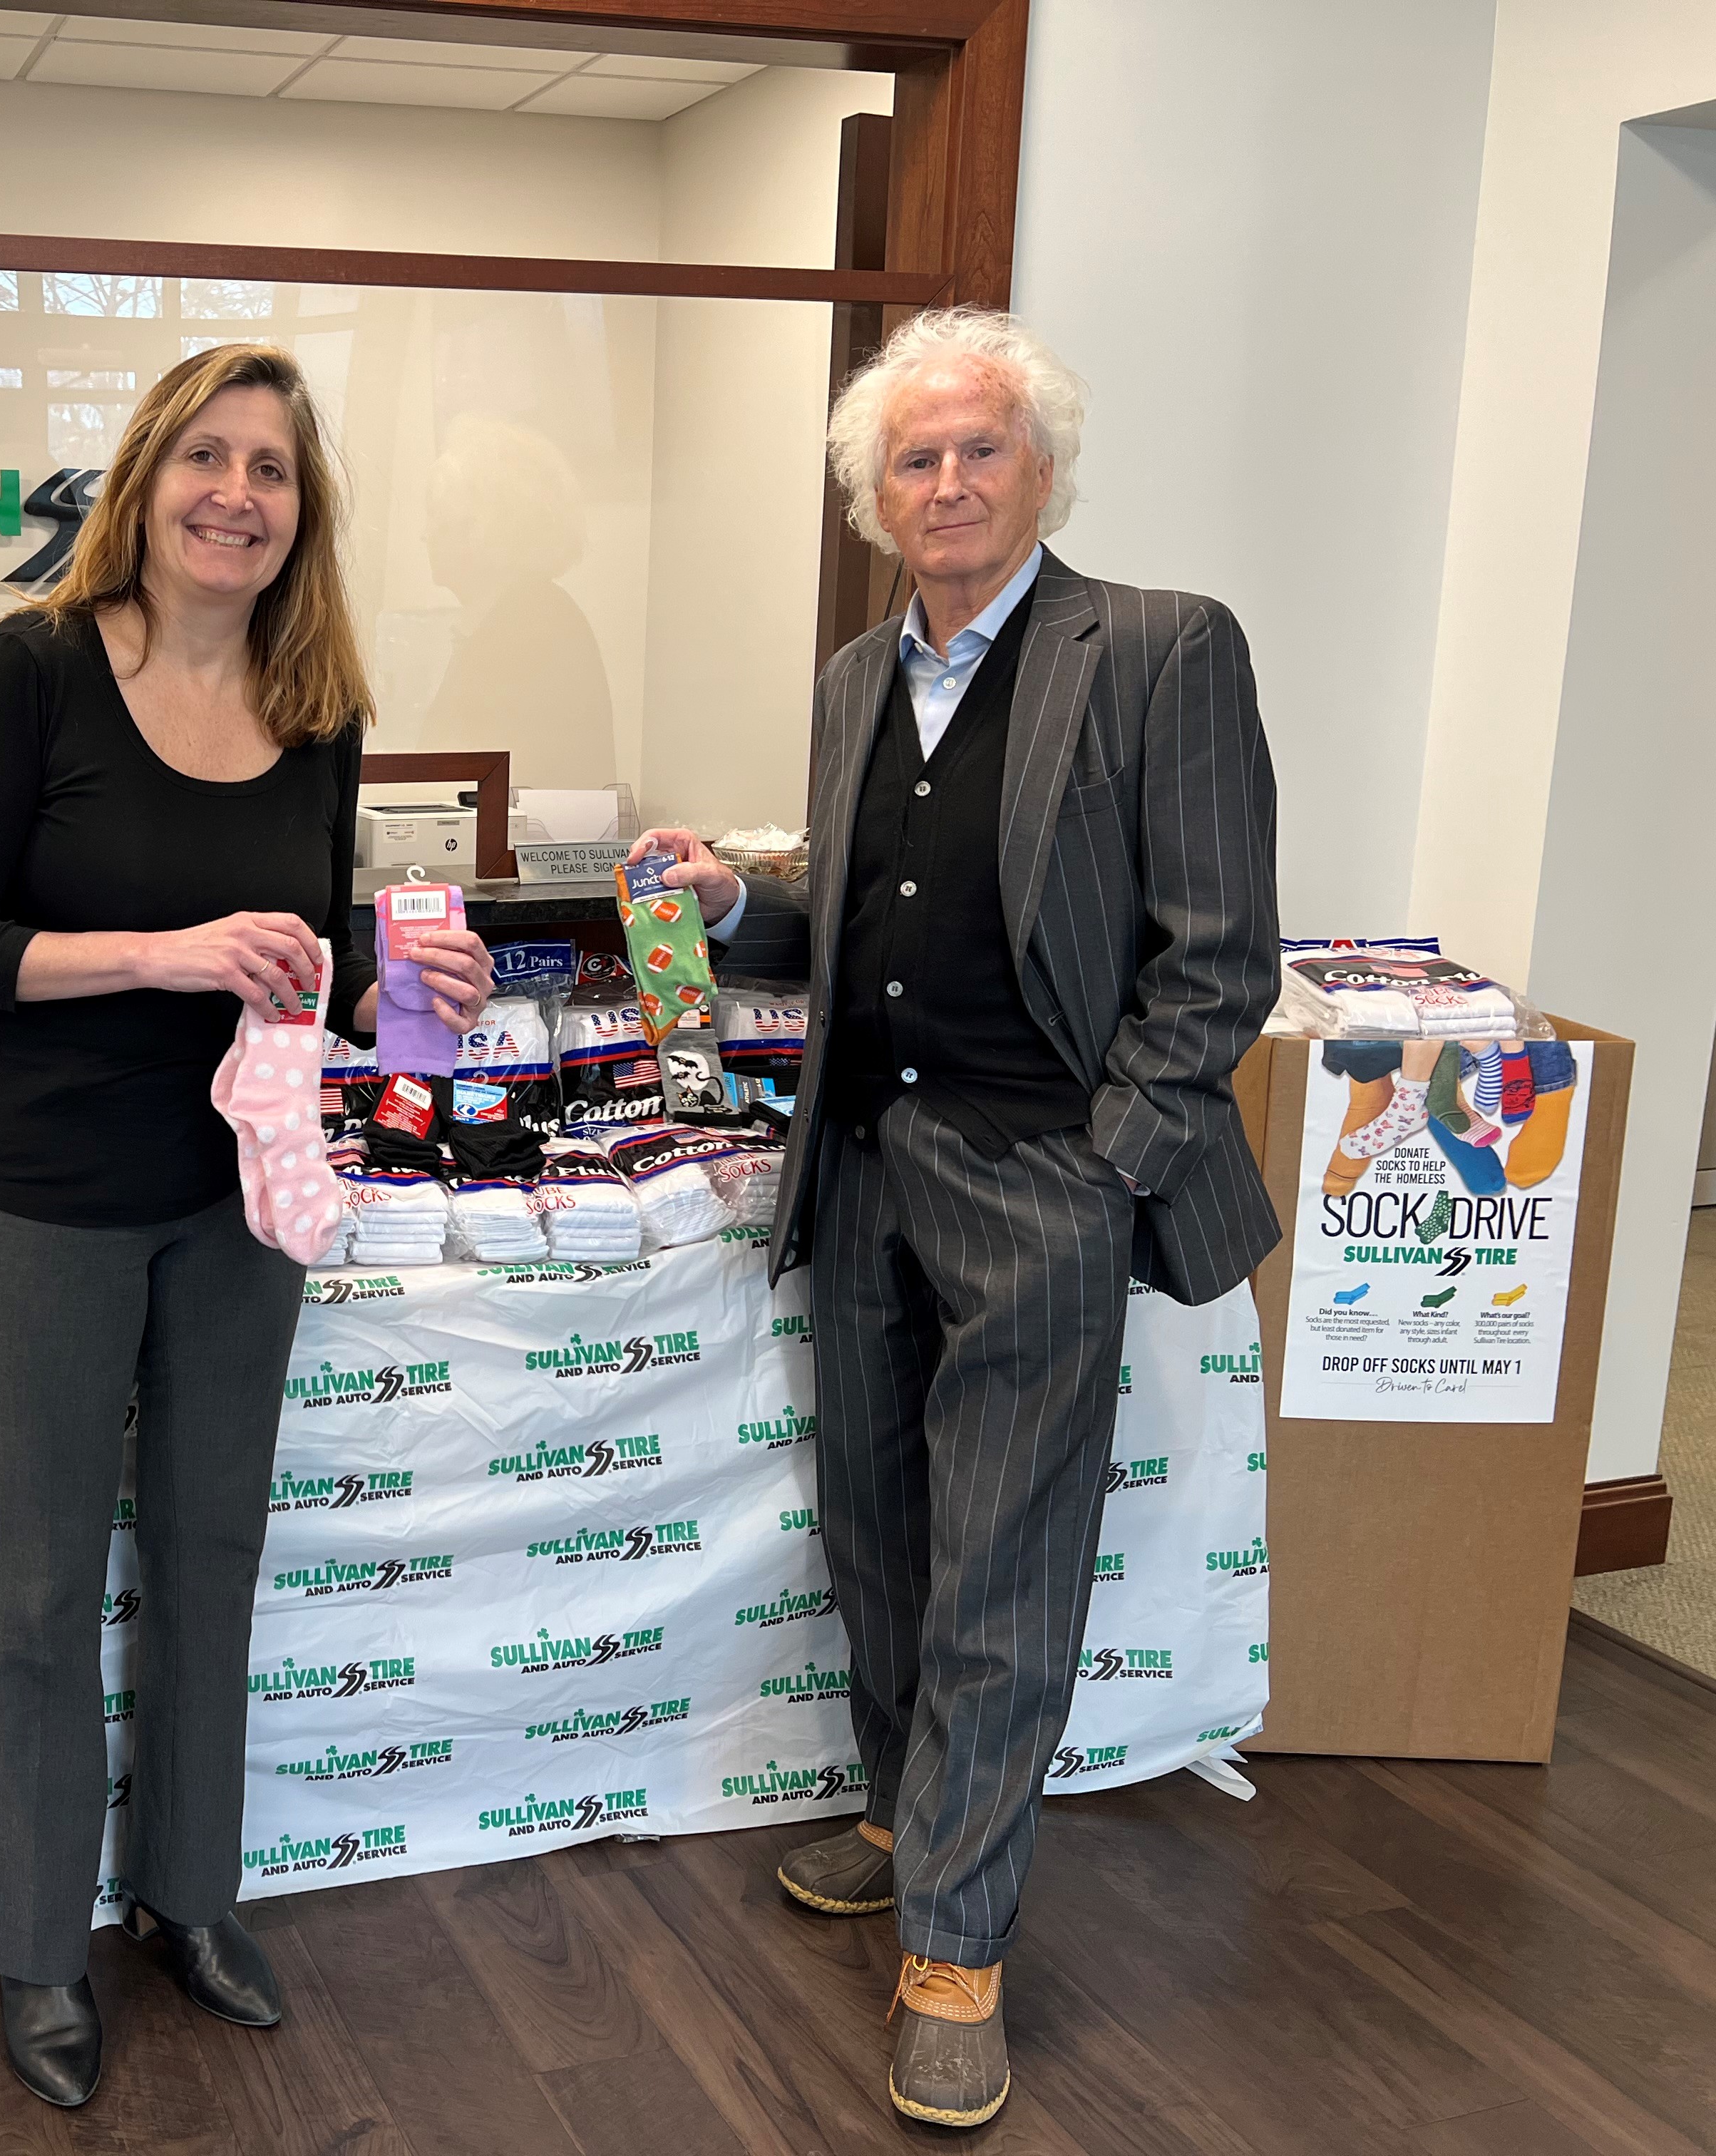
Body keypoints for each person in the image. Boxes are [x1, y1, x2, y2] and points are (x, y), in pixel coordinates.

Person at [631, 307, 1279, 2130]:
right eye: (911, 459)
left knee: (1005, 1560)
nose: (947, 482)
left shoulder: (1155, 650)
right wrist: (728, 903)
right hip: (861, 1173)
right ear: (873, 495)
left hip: (1040, 1180)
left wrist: (1110, 1166)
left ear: (1043, 468)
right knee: (885, 1531)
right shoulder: (854, 678)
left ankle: (962, 1947)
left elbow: (1221, 955)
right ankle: (906, 1812)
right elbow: (853, 924)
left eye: (980, 448)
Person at [0, 343, 494, 2110]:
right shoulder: (38, 674)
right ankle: (32, 1943)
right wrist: (159, 954)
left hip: (243, 1192)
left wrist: (407, 970)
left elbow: (298, 951)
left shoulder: (321, 703)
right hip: (41, 1200)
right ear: (144, 481)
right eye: (208, 459)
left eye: (276, 472)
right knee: (42, 1585)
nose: (239, 494)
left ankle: (189, 1895)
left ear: (305, 515)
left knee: (215, 1554)